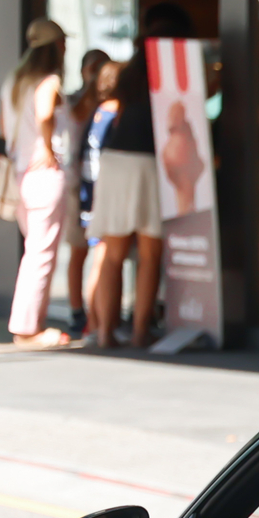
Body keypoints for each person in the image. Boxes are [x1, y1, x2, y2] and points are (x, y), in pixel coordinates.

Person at [0, 19, 71, 349]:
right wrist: (45, 145)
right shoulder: (48, 80)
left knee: (34, 252)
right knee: (41, 255)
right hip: (43, 174)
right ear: (56, 47)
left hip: (20, 175)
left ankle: (28, 325)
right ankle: (28, 328)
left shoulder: (13, 82)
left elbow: (4, 127)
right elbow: (45, 114)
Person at [92, 49, 162, 350]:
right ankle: (139, 332)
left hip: (115, 160)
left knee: (112, 254)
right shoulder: (167, 72)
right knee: (150, 255)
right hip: (147, 161)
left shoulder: (130, 75)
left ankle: (106, 331)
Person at [64, 48, 113, 340]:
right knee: (78, 249)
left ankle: (100, 312)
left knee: (102, 250)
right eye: (91, 67)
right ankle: (76, 311)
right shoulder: (74, 100)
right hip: (77, 184)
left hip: (103, 182)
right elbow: (77, 116)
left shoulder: (110, 103)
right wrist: (91, 90)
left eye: (101, 68)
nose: (95, 73)